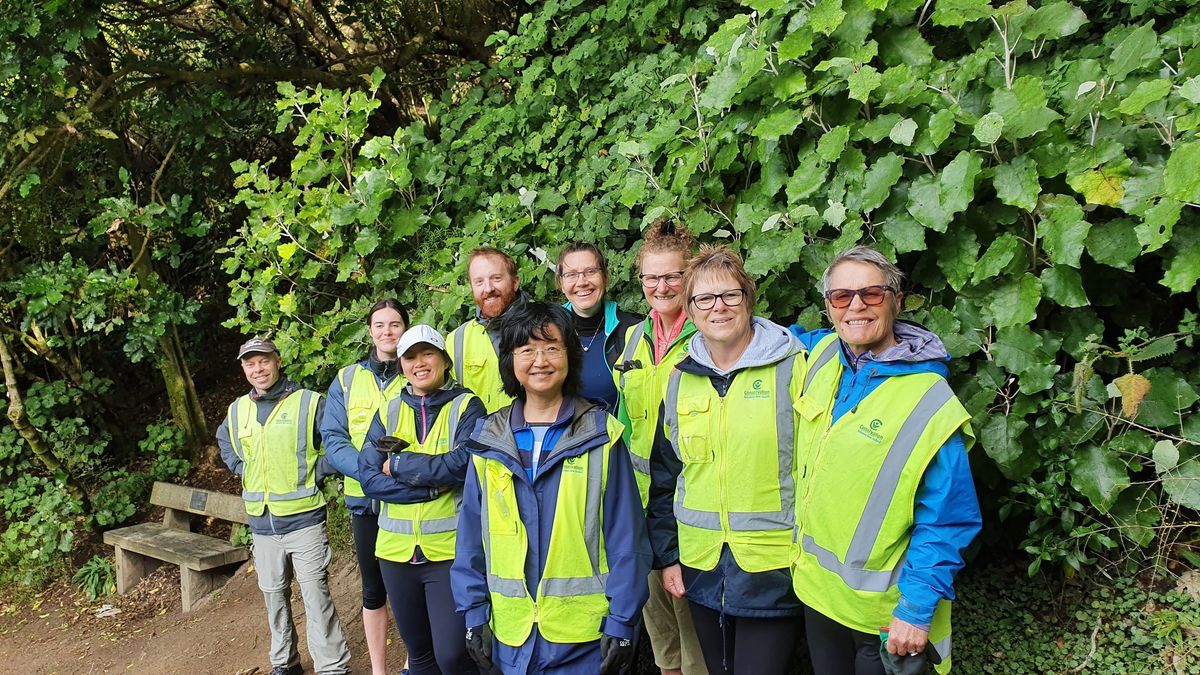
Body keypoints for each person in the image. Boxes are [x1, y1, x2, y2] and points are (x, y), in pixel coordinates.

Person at [789, 246, 981, 675]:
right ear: (829, 307)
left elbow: (947, 518)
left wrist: (915, 609)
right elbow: (762, 335)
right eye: (841, 297)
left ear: (896, 298)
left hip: (885, 616)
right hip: (819, 596)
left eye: (871, 294)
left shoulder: (929, 399)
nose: (855, 306)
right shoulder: (821, 356)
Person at [451, 302, 651, 675]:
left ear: (569, 356)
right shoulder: (489, 441)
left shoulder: (601, 435)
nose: (539, 360)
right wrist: (474, 613)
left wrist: (623, 622)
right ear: (510, 361)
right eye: (526, 349)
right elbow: (470, 538)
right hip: (512, 637)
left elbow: (627, 540)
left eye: (551, 347)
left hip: (586, 641)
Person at [647, 246, 807, 675]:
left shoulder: (794, 367)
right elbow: (667, 476)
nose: (718, 307)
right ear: (691, 310)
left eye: (730, 295)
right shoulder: (681, 379)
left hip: (772, 568)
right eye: (704, 299)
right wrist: (668, 557)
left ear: (748, 299)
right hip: (701, 568)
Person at [357, 324, 487, 675]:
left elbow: (464, 465)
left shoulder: (467, 406)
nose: (419, 363)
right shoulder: (389, 410)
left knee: (452, 655)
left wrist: (398, 464)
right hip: (395, 553)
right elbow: (369, 479)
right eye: (410, 357)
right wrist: (431, 486)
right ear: (401, 365)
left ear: (443, 359)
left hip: (448, 552)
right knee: (420, 656)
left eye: (427, 353)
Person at [217, 338, 352, 675]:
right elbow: (225, 441)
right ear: (243, 369)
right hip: (262, 526)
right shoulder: (237, 410)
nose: (258, 369)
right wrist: (240, 467)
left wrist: (318, 471)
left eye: (263, 361)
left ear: (277, 362)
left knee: (316, 599)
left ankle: (332, 668)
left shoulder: (307, 403)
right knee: (274, 599)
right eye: (250, 364)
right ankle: (285, 663)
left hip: (304, 521)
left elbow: (337, 442)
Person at [612, 220, 706, 675]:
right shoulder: (633, 339)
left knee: (696, 637)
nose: (661, 286)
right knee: (661, 634)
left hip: (689, 506)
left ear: (690, 277)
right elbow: (625, 425)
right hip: (640, 506)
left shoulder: (707, 337)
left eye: (672, 276)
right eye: (652, 277)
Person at [320, 299, 408, 675]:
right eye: (380, 325)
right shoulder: (346, 379)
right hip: (364, 501)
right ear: (370, 331)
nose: (387, 332)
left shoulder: (419, 369)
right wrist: (371, 471)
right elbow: (333, 437)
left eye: (395, 325)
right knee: (373, 591)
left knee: (409, 590)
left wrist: (402, 470)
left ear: (406, 328)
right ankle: (378, 670)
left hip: (410, 499)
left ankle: (413, 664)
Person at [556, 242, 641, 412]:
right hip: (563, 437)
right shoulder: (545, 331)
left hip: (620, 436)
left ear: (605, 277)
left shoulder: (634, 330)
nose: (582, 282)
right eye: (571, 274)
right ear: (561, 284)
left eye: (590, 272)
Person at [447, 246, 528, 414]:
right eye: (479, 282)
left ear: (515, 282)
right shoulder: (456, 340)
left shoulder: (542, 327)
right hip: (478, 438)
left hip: (534, 436)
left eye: (496, 278)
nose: (488, 288)